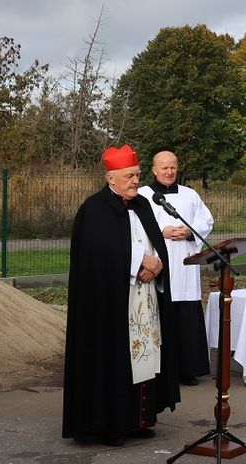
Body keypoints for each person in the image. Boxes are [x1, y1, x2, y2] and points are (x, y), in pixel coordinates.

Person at [62, 144, 180, 446]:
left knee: (146, 357)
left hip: (145, 299)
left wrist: (157, 265)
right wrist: (139, 260)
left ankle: (139, 420)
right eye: (129, 176)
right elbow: (97, 253)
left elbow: (157, 243)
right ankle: (110, 425)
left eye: (138, 175)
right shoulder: (94, 209)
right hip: (113, 304)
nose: (135, 181)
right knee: (116, 359)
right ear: (110, 177)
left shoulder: (141, 204)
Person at [138, 150, 215, 386]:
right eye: (164, 168)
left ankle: (187, 369)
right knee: (160, 314)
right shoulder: (143, 195)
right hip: (158, 263)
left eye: (173, 167)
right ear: (154, 170)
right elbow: (136, 225)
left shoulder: (190, 195)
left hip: (185, 264)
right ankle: (160, 370)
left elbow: (206, 220)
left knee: (187, 315)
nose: (169, 172)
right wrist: (160, 232)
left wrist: (190, 231)